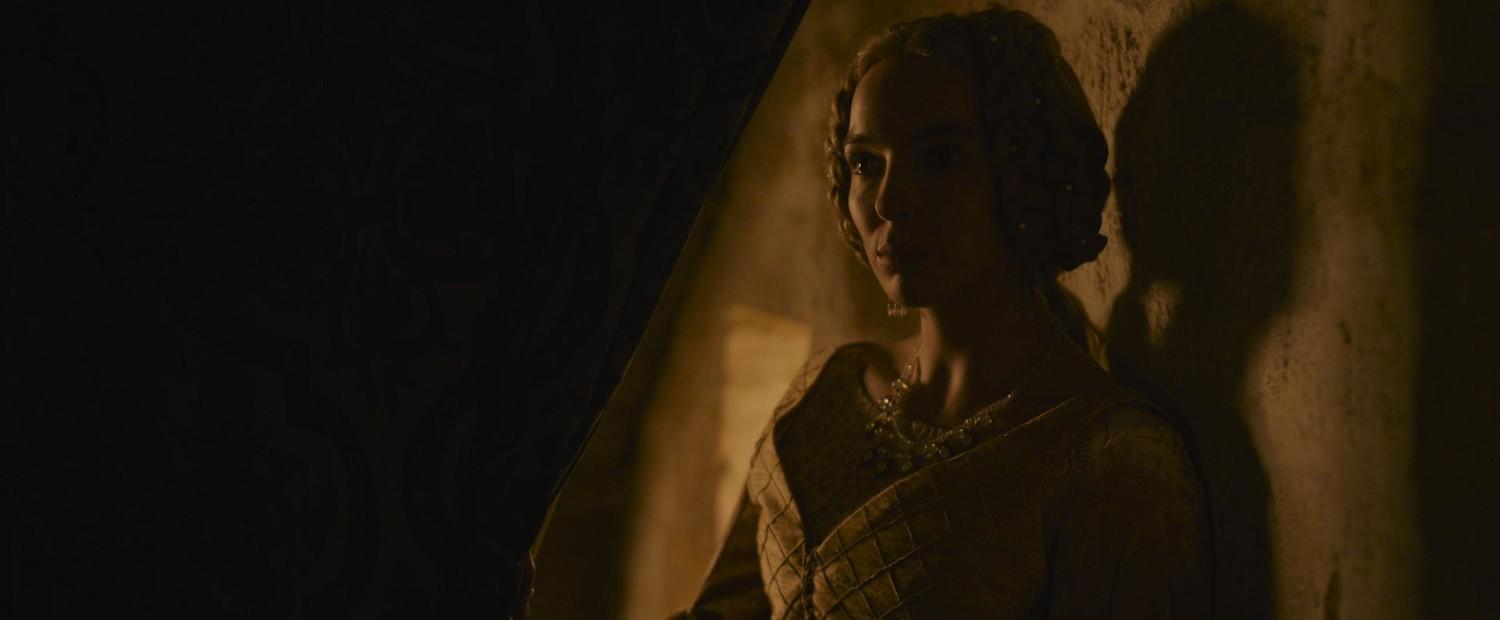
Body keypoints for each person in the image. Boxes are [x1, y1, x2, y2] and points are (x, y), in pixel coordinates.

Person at [673, 7, 1210, 618]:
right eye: (865, 163)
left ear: (1023, 172)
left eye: (943, 157)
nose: (890, 200)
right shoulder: (825, 392)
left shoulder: (1112, 458)